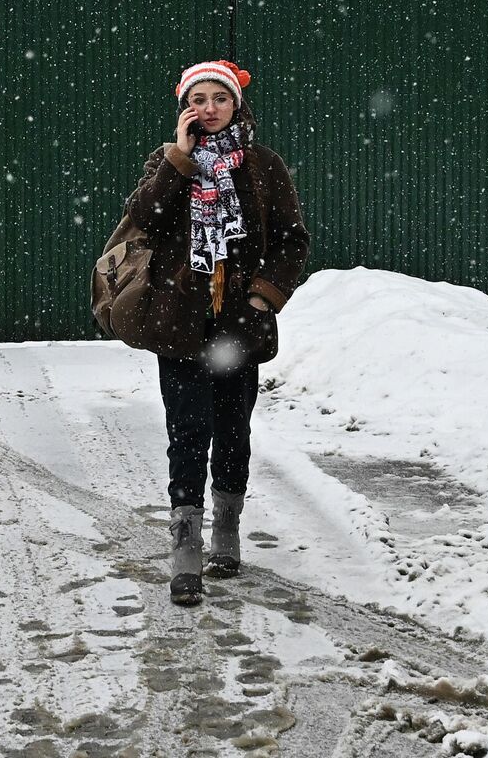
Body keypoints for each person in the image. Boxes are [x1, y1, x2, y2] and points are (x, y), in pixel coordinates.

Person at [124, 60, 309, 606]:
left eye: (218, 98)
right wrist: (178, 160)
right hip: (181, 325)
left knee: (232, 429)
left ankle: (226, 535)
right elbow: (145, 220)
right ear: (185, 108)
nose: (208, 108)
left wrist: (262, 297)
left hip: (239, 325)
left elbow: (292, 241)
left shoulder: (263, 166)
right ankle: (186, 552)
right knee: (187, 432)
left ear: (236, 104)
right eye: (198, 99)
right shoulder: (169, 162)